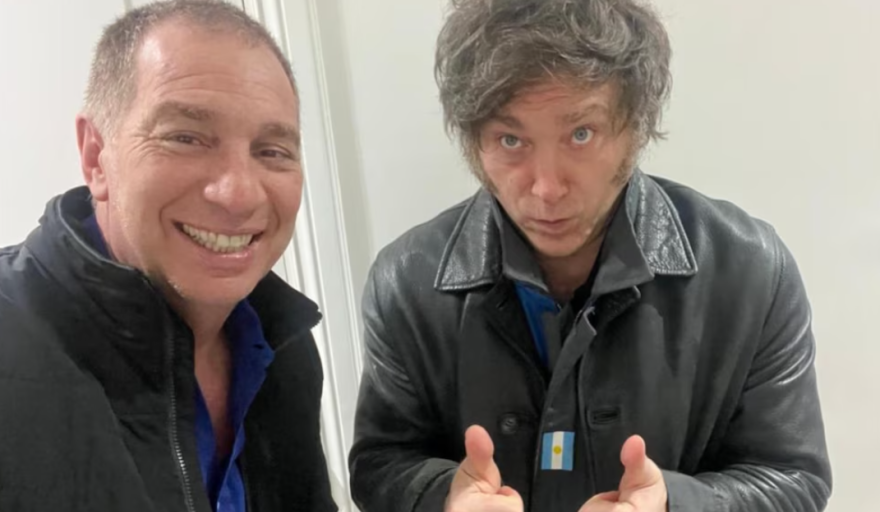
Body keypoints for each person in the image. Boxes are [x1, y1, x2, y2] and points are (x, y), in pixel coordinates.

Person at [348, 0, 832, 511]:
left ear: (636, 126)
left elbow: (793, 478)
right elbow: (381, 463)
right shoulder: (405, 282)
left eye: (581, 134)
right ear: (474, 140)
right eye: (510, 139)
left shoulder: (751, 270)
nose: (547, 188)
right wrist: (446, 498)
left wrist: (674, 505)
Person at [0, 1, 336, 511]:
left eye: (272, 151)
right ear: (95, 156)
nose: (239, 194)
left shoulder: (282, 345)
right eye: (185, 138)